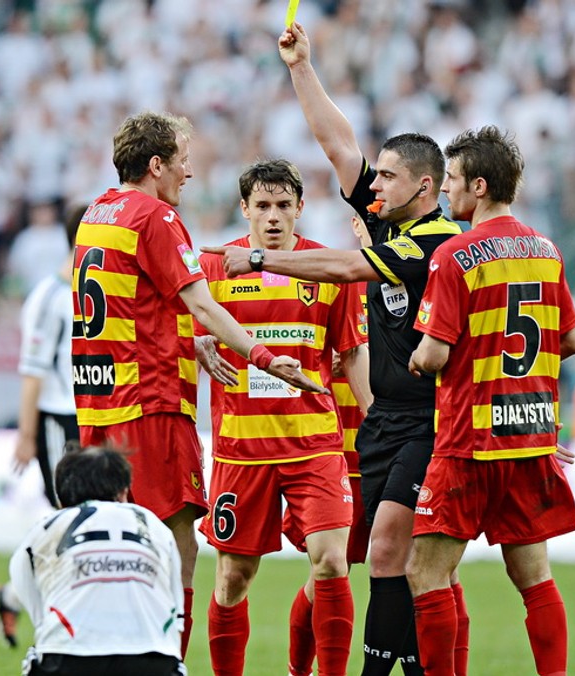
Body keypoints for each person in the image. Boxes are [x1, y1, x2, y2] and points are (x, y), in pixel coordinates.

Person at [202, 22, 465, 675]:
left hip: (417, 425)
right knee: (358, 561)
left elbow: (349, 280)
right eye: (260, 205)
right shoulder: (387, 219)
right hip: (308, 435)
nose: (376, 186)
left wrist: (262, 260)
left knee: (387, 561)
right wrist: (301, 69)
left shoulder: (428, 244)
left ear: (425, 189)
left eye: (391, 178)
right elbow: (338, 143)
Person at [72, 111, 326, 658]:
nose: (188, 173)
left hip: (98, 405)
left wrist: (188, 341)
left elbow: (126, 310)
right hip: (151, 405)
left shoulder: (96, 213)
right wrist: (262, 356)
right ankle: (168, 666)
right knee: (177, 553)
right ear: (157, 164)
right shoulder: (154, 216)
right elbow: (202, 304)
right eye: (183, 161)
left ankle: (100, 657)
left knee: (112, 552)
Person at [405, 125, 575, 676]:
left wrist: (417, 359)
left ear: (479, 186)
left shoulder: (456, 255)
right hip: (529, 437)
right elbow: (571, 339)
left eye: (452, 180)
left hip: (467, 441)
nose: (446, 192)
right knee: (533, 576)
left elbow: (433, 356)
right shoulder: (545, 250)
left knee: (425, 573)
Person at [193, 159, 358, 675]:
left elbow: (352, 352)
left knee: (332, 561)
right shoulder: (214, 265)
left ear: (300, 208)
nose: (272, 216)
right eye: (261, 206)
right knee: (233, 579)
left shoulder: (329, 267)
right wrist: (196, 341)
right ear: (244, 209)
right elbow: (179, 322)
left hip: (315, 443)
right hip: (242, 448)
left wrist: (375, 420)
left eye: (283, 206)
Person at [0, 202, 89, 649]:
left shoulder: (101, 291)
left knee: (82, 522)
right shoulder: (50, 297)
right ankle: (39, 605)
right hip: (59, 419)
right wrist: (27, 435)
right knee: (69, 519)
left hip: (95, 417)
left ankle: (12, 596)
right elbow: (33, 370)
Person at [9, 444, 187, 676]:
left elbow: (37, 609)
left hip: (69, 658)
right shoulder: (154, 525)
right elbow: (176, 614)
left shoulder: (47, 527)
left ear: (62, 498)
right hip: (154, 659)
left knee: (42, 650)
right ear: (124, 492)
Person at [286, 278, 373, 676]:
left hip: (398, 444)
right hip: (338, 447)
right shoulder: (336, 275)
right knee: (329, 567)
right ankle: (299, 669)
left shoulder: (419, 275)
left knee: (423, 568)